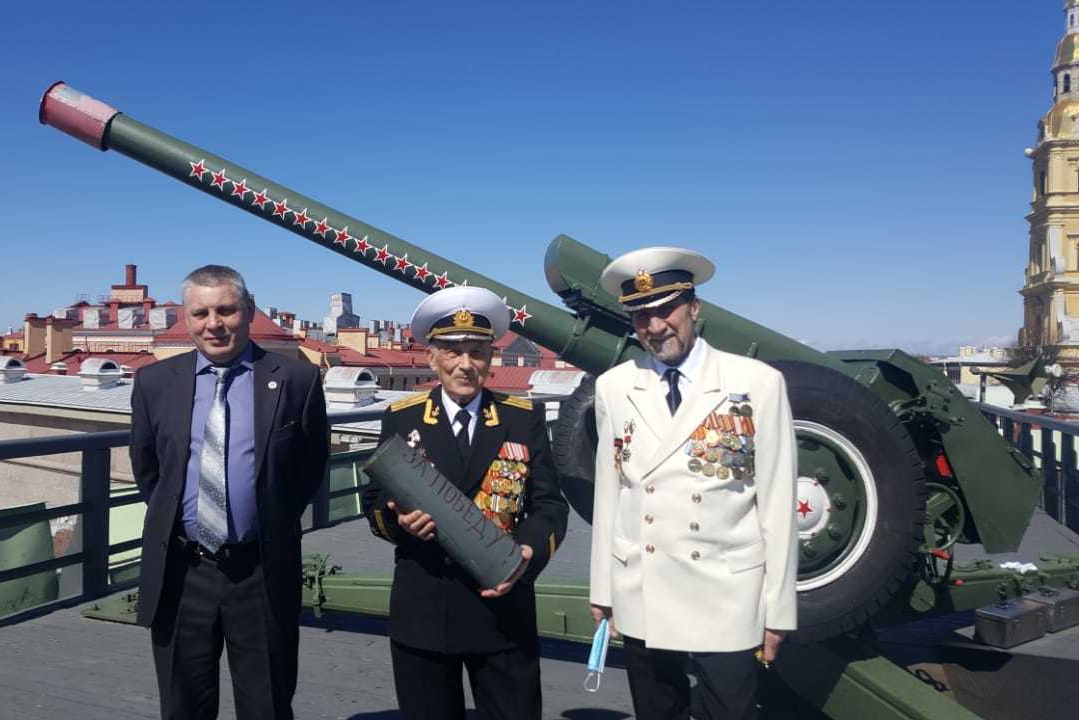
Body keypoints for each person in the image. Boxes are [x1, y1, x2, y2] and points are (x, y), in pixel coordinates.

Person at [587, 247, 798, 720]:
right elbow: (611, 493)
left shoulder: (757, 383)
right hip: (644, 588)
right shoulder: (615, 387)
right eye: (641, 316)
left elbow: (779, 503)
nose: (655, 326)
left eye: (666, 309)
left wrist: (778, 610)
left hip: (725, 593)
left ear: (695, 307)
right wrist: (604, 589)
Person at [129, 264, 329, 720]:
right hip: (182, 572)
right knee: (183, 706)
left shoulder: (296, 381)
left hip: (260, 570)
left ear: (249, 310)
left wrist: (267, 518)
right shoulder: (155, 383)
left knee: (267, 704)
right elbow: (149, 470)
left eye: (225, 310)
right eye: (200, 313)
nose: (213, 324)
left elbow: (309, 466)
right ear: (186, 317)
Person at [362, 285, 569, 720]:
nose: (465, 364)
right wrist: (401, 524)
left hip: (502, 610)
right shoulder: (402, 418)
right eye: (453, 352)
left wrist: (526, 555)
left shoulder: (521, 418)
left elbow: (550, 506)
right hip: (426, 609)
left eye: (477, 352)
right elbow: (376, 502)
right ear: (431, 357)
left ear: (491, 359)